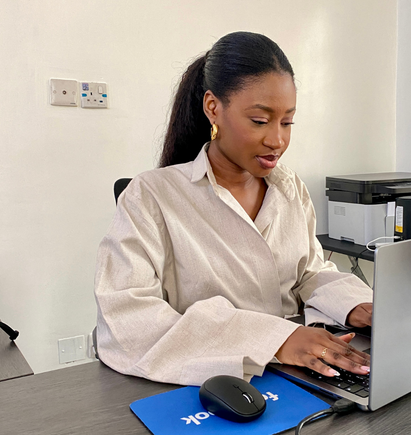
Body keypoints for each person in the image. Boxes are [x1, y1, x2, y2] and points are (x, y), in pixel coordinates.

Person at [94, 31, 373, 386]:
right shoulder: (151, 196)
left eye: (288, 122)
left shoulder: (289, 189)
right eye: (260, 121)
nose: (277, 140)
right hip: (211, 381)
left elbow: (308, 272)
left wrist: (357, 305)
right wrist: (274, 340)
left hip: (296, 373)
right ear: (214, 108)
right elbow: (129, 319)